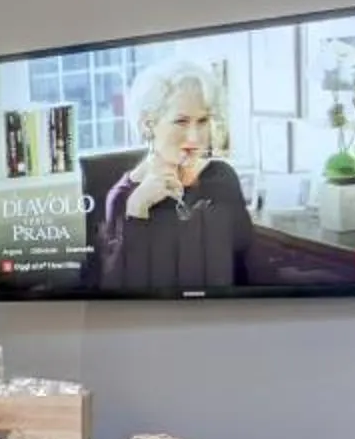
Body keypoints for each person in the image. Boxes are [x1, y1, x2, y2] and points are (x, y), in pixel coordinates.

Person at [97, 61, 259, 293]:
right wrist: (137, 210)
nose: (194, 137)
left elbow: (247, 271)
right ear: (148, 125)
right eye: (181, 121)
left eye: (202, 121)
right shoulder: (123, 197)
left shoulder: (222, 178)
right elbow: (118, 297)